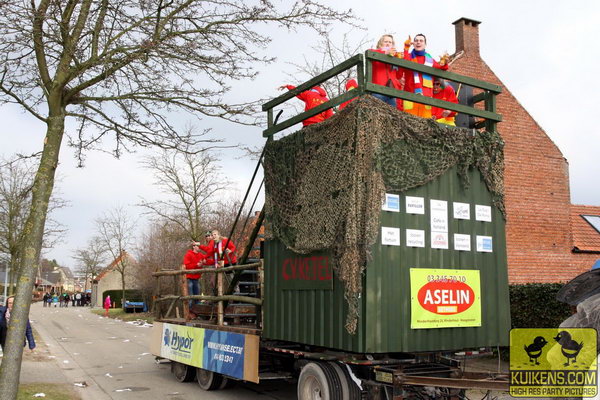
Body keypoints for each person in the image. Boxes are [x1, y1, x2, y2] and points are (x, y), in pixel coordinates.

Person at [402, 34, 449, 118]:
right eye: (416, 40)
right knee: (408, 123)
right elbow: (404, 63)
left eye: (421, 41)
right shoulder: (408, 56)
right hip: (410, 95)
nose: (418, 42)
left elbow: (441, 68)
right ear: (413, 43)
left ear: (425, 44)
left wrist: (445, 63)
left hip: (427, 97)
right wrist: (406, 48)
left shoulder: (430, 59)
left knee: (424, 126)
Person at [369, 34, 403, 107]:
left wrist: (400, 61)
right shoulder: (376, 52)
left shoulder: (394, 57)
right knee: (377, 113)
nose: (388, 43)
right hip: (378, 90)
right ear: (380, 44)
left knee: (392, 116)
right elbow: (369, 52)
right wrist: (385, 52)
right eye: (386, 41)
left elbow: (399, 76)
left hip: (391, 93)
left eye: (390, 42)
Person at [182, 241, 206, 309]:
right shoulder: (188, 254)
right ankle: (188, 313)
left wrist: (204, 262)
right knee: (190, 296)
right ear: (193, 246)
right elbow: (186, 265)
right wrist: (196, 265)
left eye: (199, 245)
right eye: (197, 246)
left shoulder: (201, 255)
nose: (199, 247)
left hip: (196, 278)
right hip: (189, 278)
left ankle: (197, 312)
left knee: (197, 296)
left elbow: (206, 259)